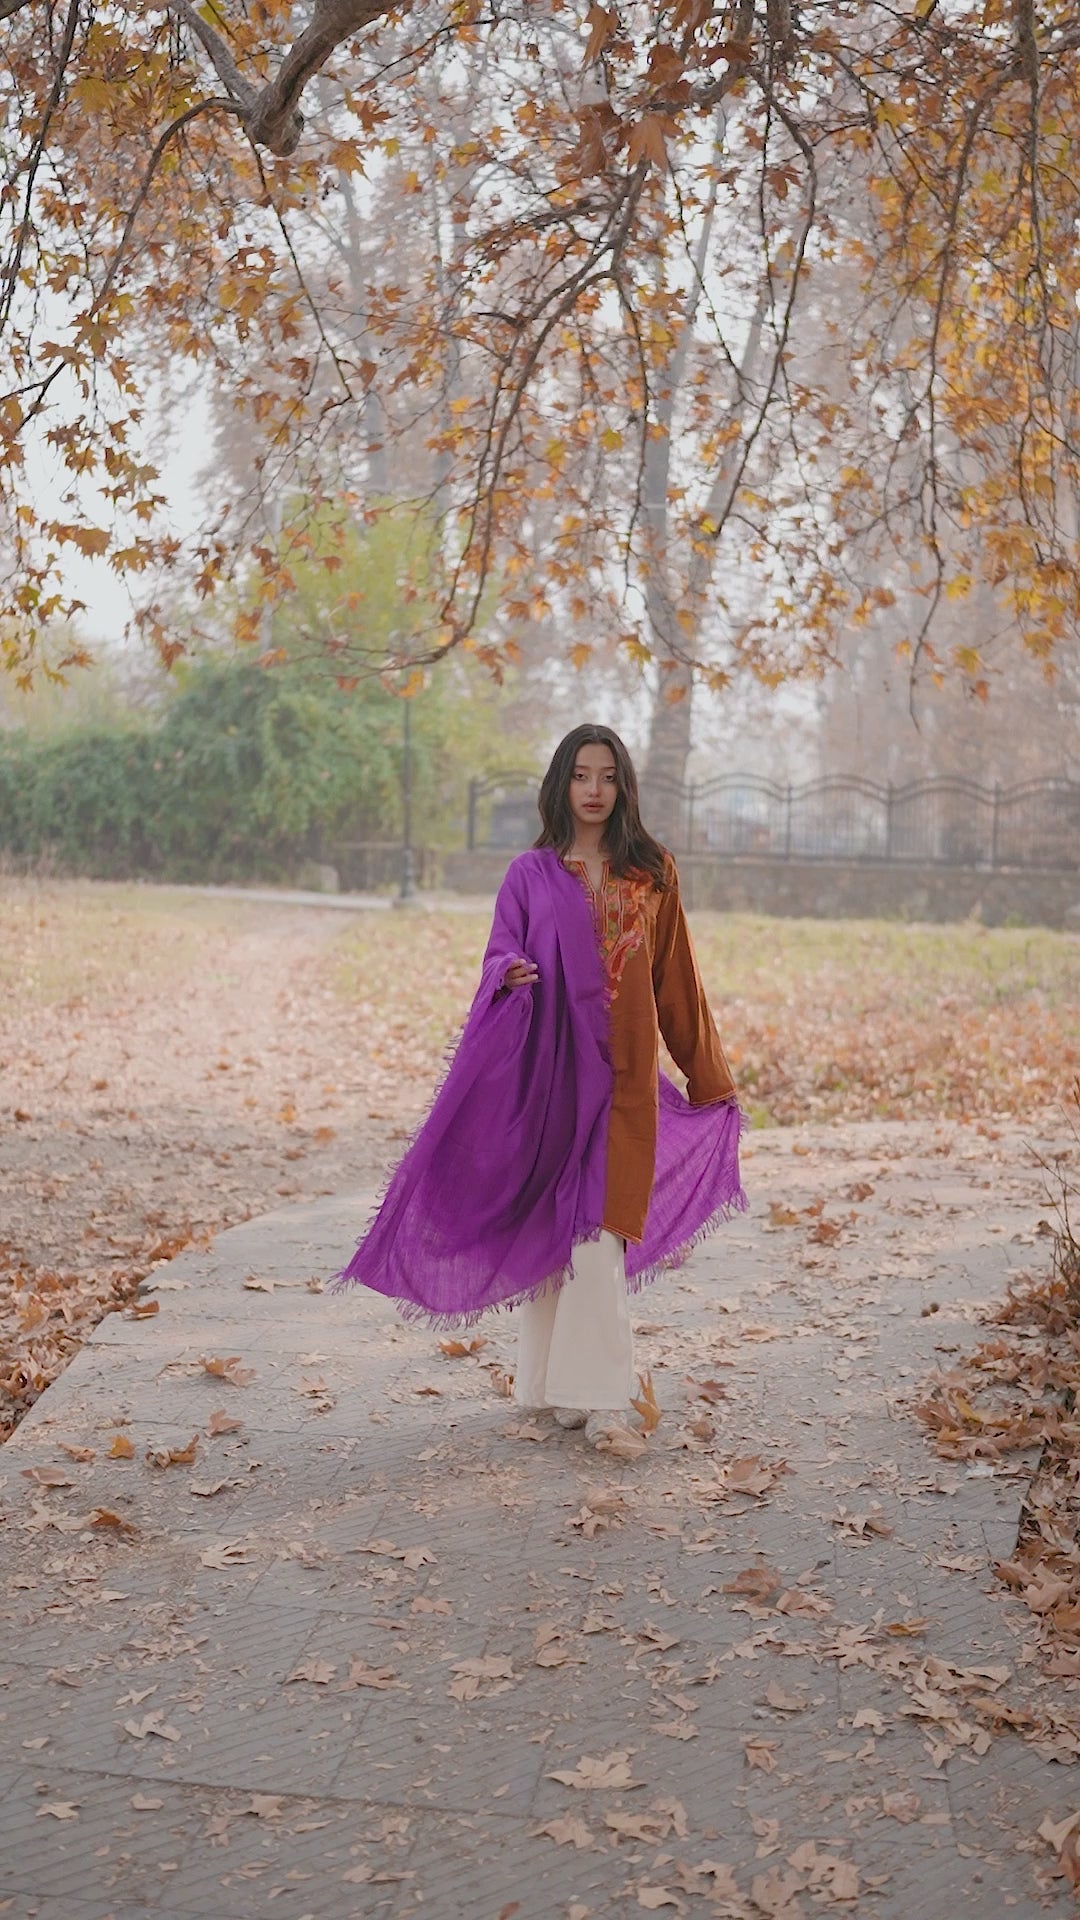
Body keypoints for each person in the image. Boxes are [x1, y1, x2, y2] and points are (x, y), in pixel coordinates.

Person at [335, 723, 745, 1448]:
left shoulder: (652, 875)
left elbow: (679, 984)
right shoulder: (530, 875)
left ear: (624, 787)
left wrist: (707, 1075)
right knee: (567, 1232)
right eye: (581, 775)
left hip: (625, 1086)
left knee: (600, 1233)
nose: (594, 790)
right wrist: (510, 977)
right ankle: (560, 1386)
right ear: (561, 785)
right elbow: (501, 955)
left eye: (607, 776)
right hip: (553, 1078)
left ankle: (604, 1398)